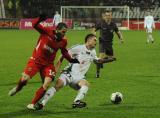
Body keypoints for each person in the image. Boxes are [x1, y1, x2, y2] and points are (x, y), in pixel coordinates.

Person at [8, 14, 79, 110]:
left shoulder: (63, 41)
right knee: (24, 79)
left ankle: (32, 104)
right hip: (36, 61)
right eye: (63, 32)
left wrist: (71, 60)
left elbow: (64, 52)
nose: (64, 34)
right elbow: (34, 25)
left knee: (47, 84)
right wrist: (39, 19)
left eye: (65, 32)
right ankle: (17, 88)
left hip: (48, 65)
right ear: (57, 29)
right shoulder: (47, 31)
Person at [33, 34, 109, 110]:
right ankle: (41, 103)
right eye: (94, 40)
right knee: (58, 85)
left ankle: (77, 102)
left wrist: (107, 60)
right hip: (69, 73)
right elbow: (63, 55)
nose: (96, 42)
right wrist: (56, 69)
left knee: (86, 84)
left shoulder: (93, 52)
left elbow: (97, 61)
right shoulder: (78, 47)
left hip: (79, 77)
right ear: (89, 40)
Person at [92, 10, 124, 78]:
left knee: (112, 58)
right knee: (100, 57)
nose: (107, 17)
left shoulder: (113, 24)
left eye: (109, 15)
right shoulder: (101, 23)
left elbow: (117, 32)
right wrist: (94, 35)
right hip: (102, 42)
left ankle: (101, 61)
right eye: (106, 15)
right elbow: (94, 30)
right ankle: (97, 74)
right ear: (104, 16)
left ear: (111, 16)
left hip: (109, 43)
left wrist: (121, 38)